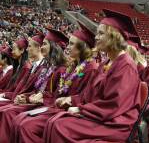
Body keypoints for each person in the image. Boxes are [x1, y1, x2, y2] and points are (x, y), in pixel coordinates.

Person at [43, 9, 141, 143]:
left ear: (114, 37)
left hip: (116, 123)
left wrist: (80, 109)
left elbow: (114, 104)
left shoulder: (126, 65)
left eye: (101, 33)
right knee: (54, 121)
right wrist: (71, 100)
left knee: (59, 125)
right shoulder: (105, 63)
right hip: (101, 116)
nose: (96, 37)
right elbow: (89, 94)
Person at [10, 22, 98, 143]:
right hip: (55, 107)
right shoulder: (71, 67)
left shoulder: (90, 69)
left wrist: (64, 100)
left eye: (72, 44)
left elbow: (87, 97)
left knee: (25, 125)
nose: (67, 47)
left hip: (67, 111)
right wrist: (29, 96)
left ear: (82, 47)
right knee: (19, 120)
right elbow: (57, 93)